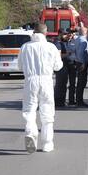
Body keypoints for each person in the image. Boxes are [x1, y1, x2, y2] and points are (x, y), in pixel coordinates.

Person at [18, 23, 63, 153]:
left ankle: (31, 132)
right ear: (45, 32)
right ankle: (47, 143)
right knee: (47, 110)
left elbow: (20, 67)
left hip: (30, 80)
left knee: (29, 109)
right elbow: (58, 66)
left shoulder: (25, 47)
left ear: (34, 32)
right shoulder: (51, 47)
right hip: (46, 80)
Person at [75, 26, 88, 107]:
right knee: (82, 83)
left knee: (80, 83)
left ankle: (78, 100)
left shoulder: (77, 39)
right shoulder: (83, 40)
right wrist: (83, 63)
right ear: (85, 32)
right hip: (82, 63)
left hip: (78, 62)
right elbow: (81, 53)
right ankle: (79, 101)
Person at [54, 28, 69, 107]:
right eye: (64, 34)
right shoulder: (57, 43)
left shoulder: (63, 42)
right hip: (60, 66)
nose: (66, 35)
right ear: (59, 34)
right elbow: (58, 56)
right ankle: (57, 101)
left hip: (64, 65)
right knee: (60, 84)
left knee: (63, 84)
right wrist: (68, 54)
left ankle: (62, 100)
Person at [64, 28, 77, 105]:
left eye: (72, 33)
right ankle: (63, 99)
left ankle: (71, 100)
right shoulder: (63, 41)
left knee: (72, 83)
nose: (70, 35)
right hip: (65, 63)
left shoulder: (75, 41)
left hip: (73, 63)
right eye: (69, 33)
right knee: (63, 82)